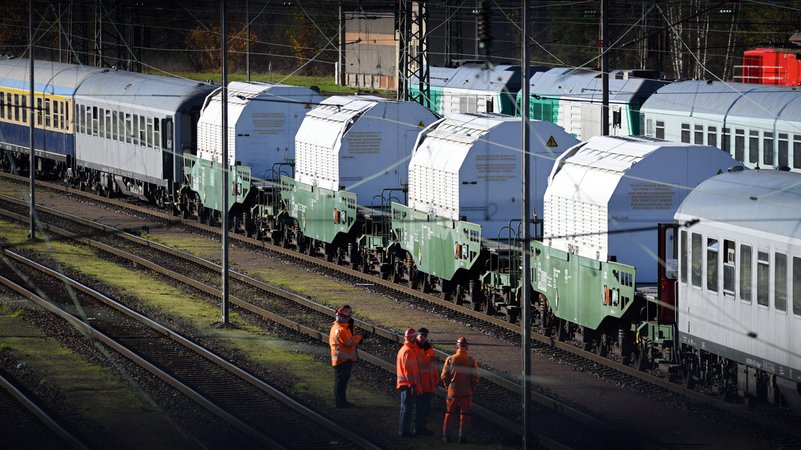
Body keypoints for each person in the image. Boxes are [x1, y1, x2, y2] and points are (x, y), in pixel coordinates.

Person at [441, 336, 479, 443]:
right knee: (465, 415)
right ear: (467, 346)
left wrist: (448, 387)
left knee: (449, 413)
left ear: (457, 346)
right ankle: (463, 437)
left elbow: (444, 376)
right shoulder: (471, 360)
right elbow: (475, 378)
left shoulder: (450, 359)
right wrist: (471, 389)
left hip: (452, 392)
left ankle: (446, 436)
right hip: (466, 393)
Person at [329, 305, 362, 408]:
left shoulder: (337, 326)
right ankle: (341, 402)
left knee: (340, 381)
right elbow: (349, 342)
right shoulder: (342, 329)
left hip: (341, 359)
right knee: (341, 382)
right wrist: (359, 337)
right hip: (343, 359)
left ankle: (341, 401)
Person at [396, 328, 421, 437]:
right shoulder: (408, 351)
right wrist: (413, 385)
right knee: (407, 409)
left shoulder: (404, 349)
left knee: (404, 408)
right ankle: (404, 431)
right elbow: (408, 370)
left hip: (404, 384)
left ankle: (403, 430)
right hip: (408, 385)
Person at [414, 327, 437, 436]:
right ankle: (418, 428)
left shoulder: (428, 348)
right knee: (419, 407)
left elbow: (433, 366)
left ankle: (422, 427)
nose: (423, 337)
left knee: (426, 408)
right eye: (422, 335)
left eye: (425, 335)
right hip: (420, 384)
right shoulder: (415, 348)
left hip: (428, 383)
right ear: (417, 335)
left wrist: (435, 380)